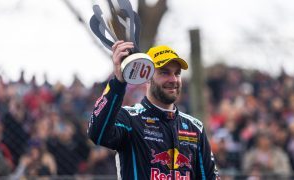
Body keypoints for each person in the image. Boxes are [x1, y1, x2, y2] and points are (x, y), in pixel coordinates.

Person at [88, 41, 220, 179]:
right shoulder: (129, 118)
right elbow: (97, 133)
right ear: (147, 76)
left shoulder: (194, 127)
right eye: (165, 72)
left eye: (177, 73)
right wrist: (118, 83)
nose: (173, 79)